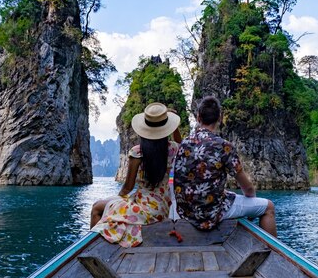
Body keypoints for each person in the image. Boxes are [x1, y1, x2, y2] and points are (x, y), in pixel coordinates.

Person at [173, 95, 277, 236]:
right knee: (268, 207)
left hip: (185, 212)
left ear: (198, 117)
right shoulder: (223, 146)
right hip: (210, 213)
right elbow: (247, 188)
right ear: (220, 118)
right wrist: (252, 199)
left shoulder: (183, 144)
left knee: (229, 194)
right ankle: (272, 254)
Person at [90, 102, 181, 247]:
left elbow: (127, 188)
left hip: (143, 209)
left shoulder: (137, 152)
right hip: (162, 209)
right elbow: (180, 143)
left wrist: (117, 202)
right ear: (166, 129)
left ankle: (93, 249)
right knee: (109, 206)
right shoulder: (173, 150)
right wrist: (175, 127)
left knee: (97, 207)